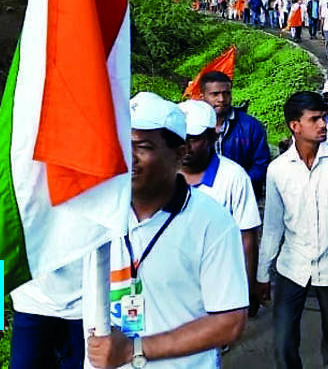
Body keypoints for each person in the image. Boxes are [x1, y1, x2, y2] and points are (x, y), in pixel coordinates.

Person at [87, 93, 247, 368]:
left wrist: (133, 350)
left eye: (142, 147)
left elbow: (230, 322)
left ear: (179, 153)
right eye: (122, 144)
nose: (129, 157)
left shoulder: (212, 222)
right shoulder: (94, 215)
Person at [258, 91, 328, 369]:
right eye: (314, 119)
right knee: (283, 343)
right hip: (293, 266)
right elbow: (273, 226)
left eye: (323, 117)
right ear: (295, 126)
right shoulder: (278, 169)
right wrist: (262, 275)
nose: (323, 124)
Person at [177, 100, 262, 316]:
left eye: (193, 139)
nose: (184, 146)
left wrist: (248, 288)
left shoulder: (233, 177)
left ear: (212, 137)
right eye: (179, 138)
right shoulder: (162, 175)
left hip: (217, 283)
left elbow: (247, 237)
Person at [199, 71, 270, 200]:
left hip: (241, 198)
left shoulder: (251, 126)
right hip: (202, 198)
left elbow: (261, 164)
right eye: (215, 94)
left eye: (226, 93)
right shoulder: (193, 128)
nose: (221, 99)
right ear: (202, 96)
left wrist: (237, 186)